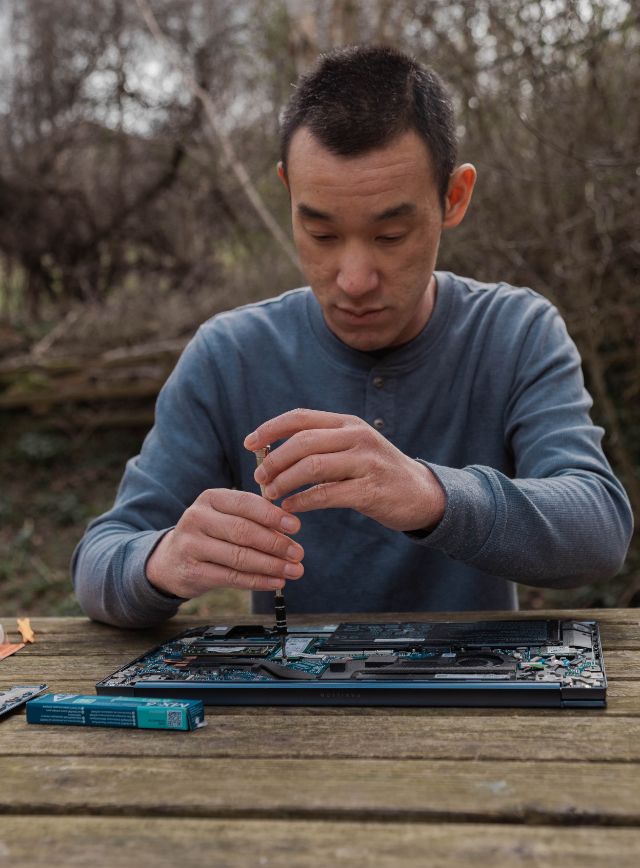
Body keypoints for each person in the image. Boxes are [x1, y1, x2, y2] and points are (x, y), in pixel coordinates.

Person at [71, 45, 633, 628]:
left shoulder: (516, 332)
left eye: (391, 236)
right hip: (291, 709)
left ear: (454, 198)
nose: (354, 280)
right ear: (288, 192)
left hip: (480, 706)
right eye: (320, 233)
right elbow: (100, 559)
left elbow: (597, 528)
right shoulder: (229, 354)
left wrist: (430, 494)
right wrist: (161, 562)